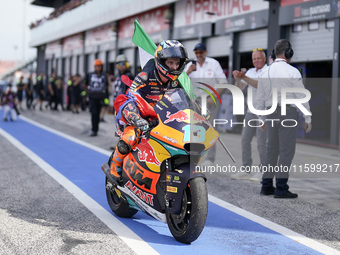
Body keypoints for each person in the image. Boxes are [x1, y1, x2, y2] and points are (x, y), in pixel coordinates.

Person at [109, 40, 188, 180]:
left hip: (160, 117)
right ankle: (115, 167)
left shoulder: (176, 81)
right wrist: (135, 118)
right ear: (161, 61)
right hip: (138, 115)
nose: (175, 66)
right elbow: (130, 96)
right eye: (170, 63)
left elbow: (184, 101)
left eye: (177, 63)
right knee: (130, 138)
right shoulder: (145, 76)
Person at [254, 39, 312, 198]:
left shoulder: (266, 72)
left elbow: (260, 98)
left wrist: (261, 118)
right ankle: (281, 188)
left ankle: (266, 186)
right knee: (286, 151)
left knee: (271, 150)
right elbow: (301, 96)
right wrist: (307, 118)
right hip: (288, 114)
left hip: (270, 113)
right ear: (288, 53)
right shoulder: (293, 72)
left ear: (274, 53)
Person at [185, 43, 227, 166]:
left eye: (201, 52)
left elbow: (223, 83)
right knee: (194, 130)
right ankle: (194, 157)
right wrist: (188, 72)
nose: (198, 54)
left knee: (210, 129)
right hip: (195, 102)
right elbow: (180, 82)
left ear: (206, 52)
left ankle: (210, 159)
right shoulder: (190, 65)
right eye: (196, 52)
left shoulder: (213, 64)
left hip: (209, 101)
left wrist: (213, 97)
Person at [231, 48, 268, 181]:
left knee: (261, 143)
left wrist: (244, 76)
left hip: (264, 111)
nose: (256, 61)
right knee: (245, 140)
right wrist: (237, 79)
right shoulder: (251, 71)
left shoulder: (268, 71)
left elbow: (259, 85)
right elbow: (239, 88)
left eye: (258, 58)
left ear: (264, 59)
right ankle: (246, 169)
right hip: (250, 111)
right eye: (254, 59)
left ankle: (263, 171)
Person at [84, 59, 109, 136]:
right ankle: (93, 129)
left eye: (99, 66)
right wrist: (88, 91)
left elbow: (106, 86)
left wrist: (106, 97)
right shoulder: (90, 74)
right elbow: (85, 83)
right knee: (93, 113)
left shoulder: (104, 75)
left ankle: (96, 129)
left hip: (100, 97)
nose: (98, 68)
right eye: (97, 66)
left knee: (98, 113)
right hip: (92, 97)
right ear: (95, 67)